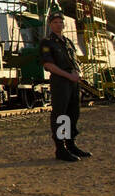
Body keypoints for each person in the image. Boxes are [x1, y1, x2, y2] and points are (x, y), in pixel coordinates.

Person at [39, 12, 91, 160]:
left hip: (73, 82)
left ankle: (71, 145)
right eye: (55, 22)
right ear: (50, 24)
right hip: (60, 81)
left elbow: (74, 61)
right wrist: (68, 75)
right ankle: (61, 149)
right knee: (61, 115)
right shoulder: (47, 42)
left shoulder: (68, 42)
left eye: (60, 22)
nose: (58, 25)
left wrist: (77, 73)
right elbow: (48, 64)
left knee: (73, 113)